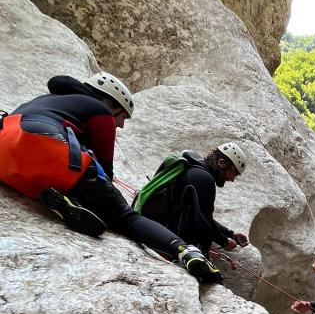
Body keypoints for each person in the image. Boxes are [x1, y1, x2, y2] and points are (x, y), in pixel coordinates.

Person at [0, 73, 222, 283]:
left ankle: (68, 200)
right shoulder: (101, 111)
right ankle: (186, 251)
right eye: (122, 116)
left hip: (7, 155)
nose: (121, 124)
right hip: (50, 148)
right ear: (110, 102)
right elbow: (105, 167)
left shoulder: (46, 100)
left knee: (67, 180)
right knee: (126, 217)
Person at [141, 144, 250, 257]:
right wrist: (224, 242)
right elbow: (204, 221)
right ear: (221, 163)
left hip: (162, 232)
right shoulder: (204, 179)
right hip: (172, 244)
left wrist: (230, 234)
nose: (232, 179)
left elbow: (201, 215)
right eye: (233, 173)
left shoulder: (194, 168)